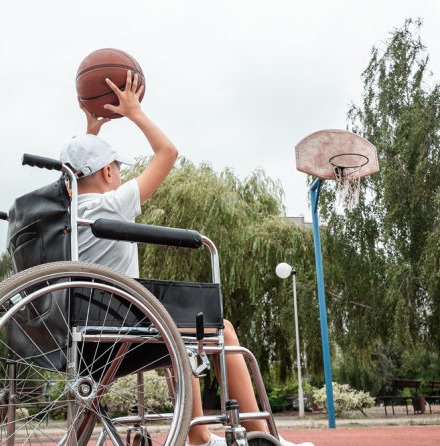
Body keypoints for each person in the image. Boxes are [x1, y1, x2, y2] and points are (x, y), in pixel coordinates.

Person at [60, 71, 312, 446]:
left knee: (177, 326)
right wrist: (134, 112)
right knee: (213, 327)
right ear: (109, 171)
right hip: (118, 333)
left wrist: (90, 132)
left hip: (77, 335)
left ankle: (200, 436)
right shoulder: (113, 204)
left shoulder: (65, 215)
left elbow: (78, 172)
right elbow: (168, 153)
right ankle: (258, 435)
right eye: (117, 169)